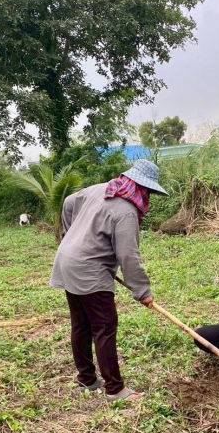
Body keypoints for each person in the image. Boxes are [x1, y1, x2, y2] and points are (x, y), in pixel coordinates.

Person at [50, 159, 168, 402]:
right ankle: (115, 389)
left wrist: (71, 235)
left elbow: (69, 202)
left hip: (67, 259)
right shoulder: (126, 211)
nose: (148, 197)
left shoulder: (100, 188)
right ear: (143, 187)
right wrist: (142, 290)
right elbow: (128, 255)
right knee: (104, 326)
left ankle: (86, 380)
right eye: (149, 192)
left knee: (81, 323)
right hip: (88, 269)